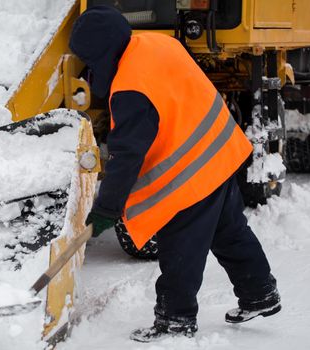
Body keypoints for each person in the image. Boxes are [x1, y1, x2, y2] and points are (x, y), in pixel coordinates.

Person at [70, 6, 281, 342]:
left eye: (90, 60)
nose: (89, 68)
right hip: (219, 151)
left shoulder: (129, 89)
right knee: (230, 233)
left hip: (190, 173)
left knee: (180, 247)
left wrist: (107, 208)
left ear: (103, 52)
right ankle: (260, 293)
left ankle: (175, 319)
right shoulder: (156, 44)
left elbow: (127, 156)